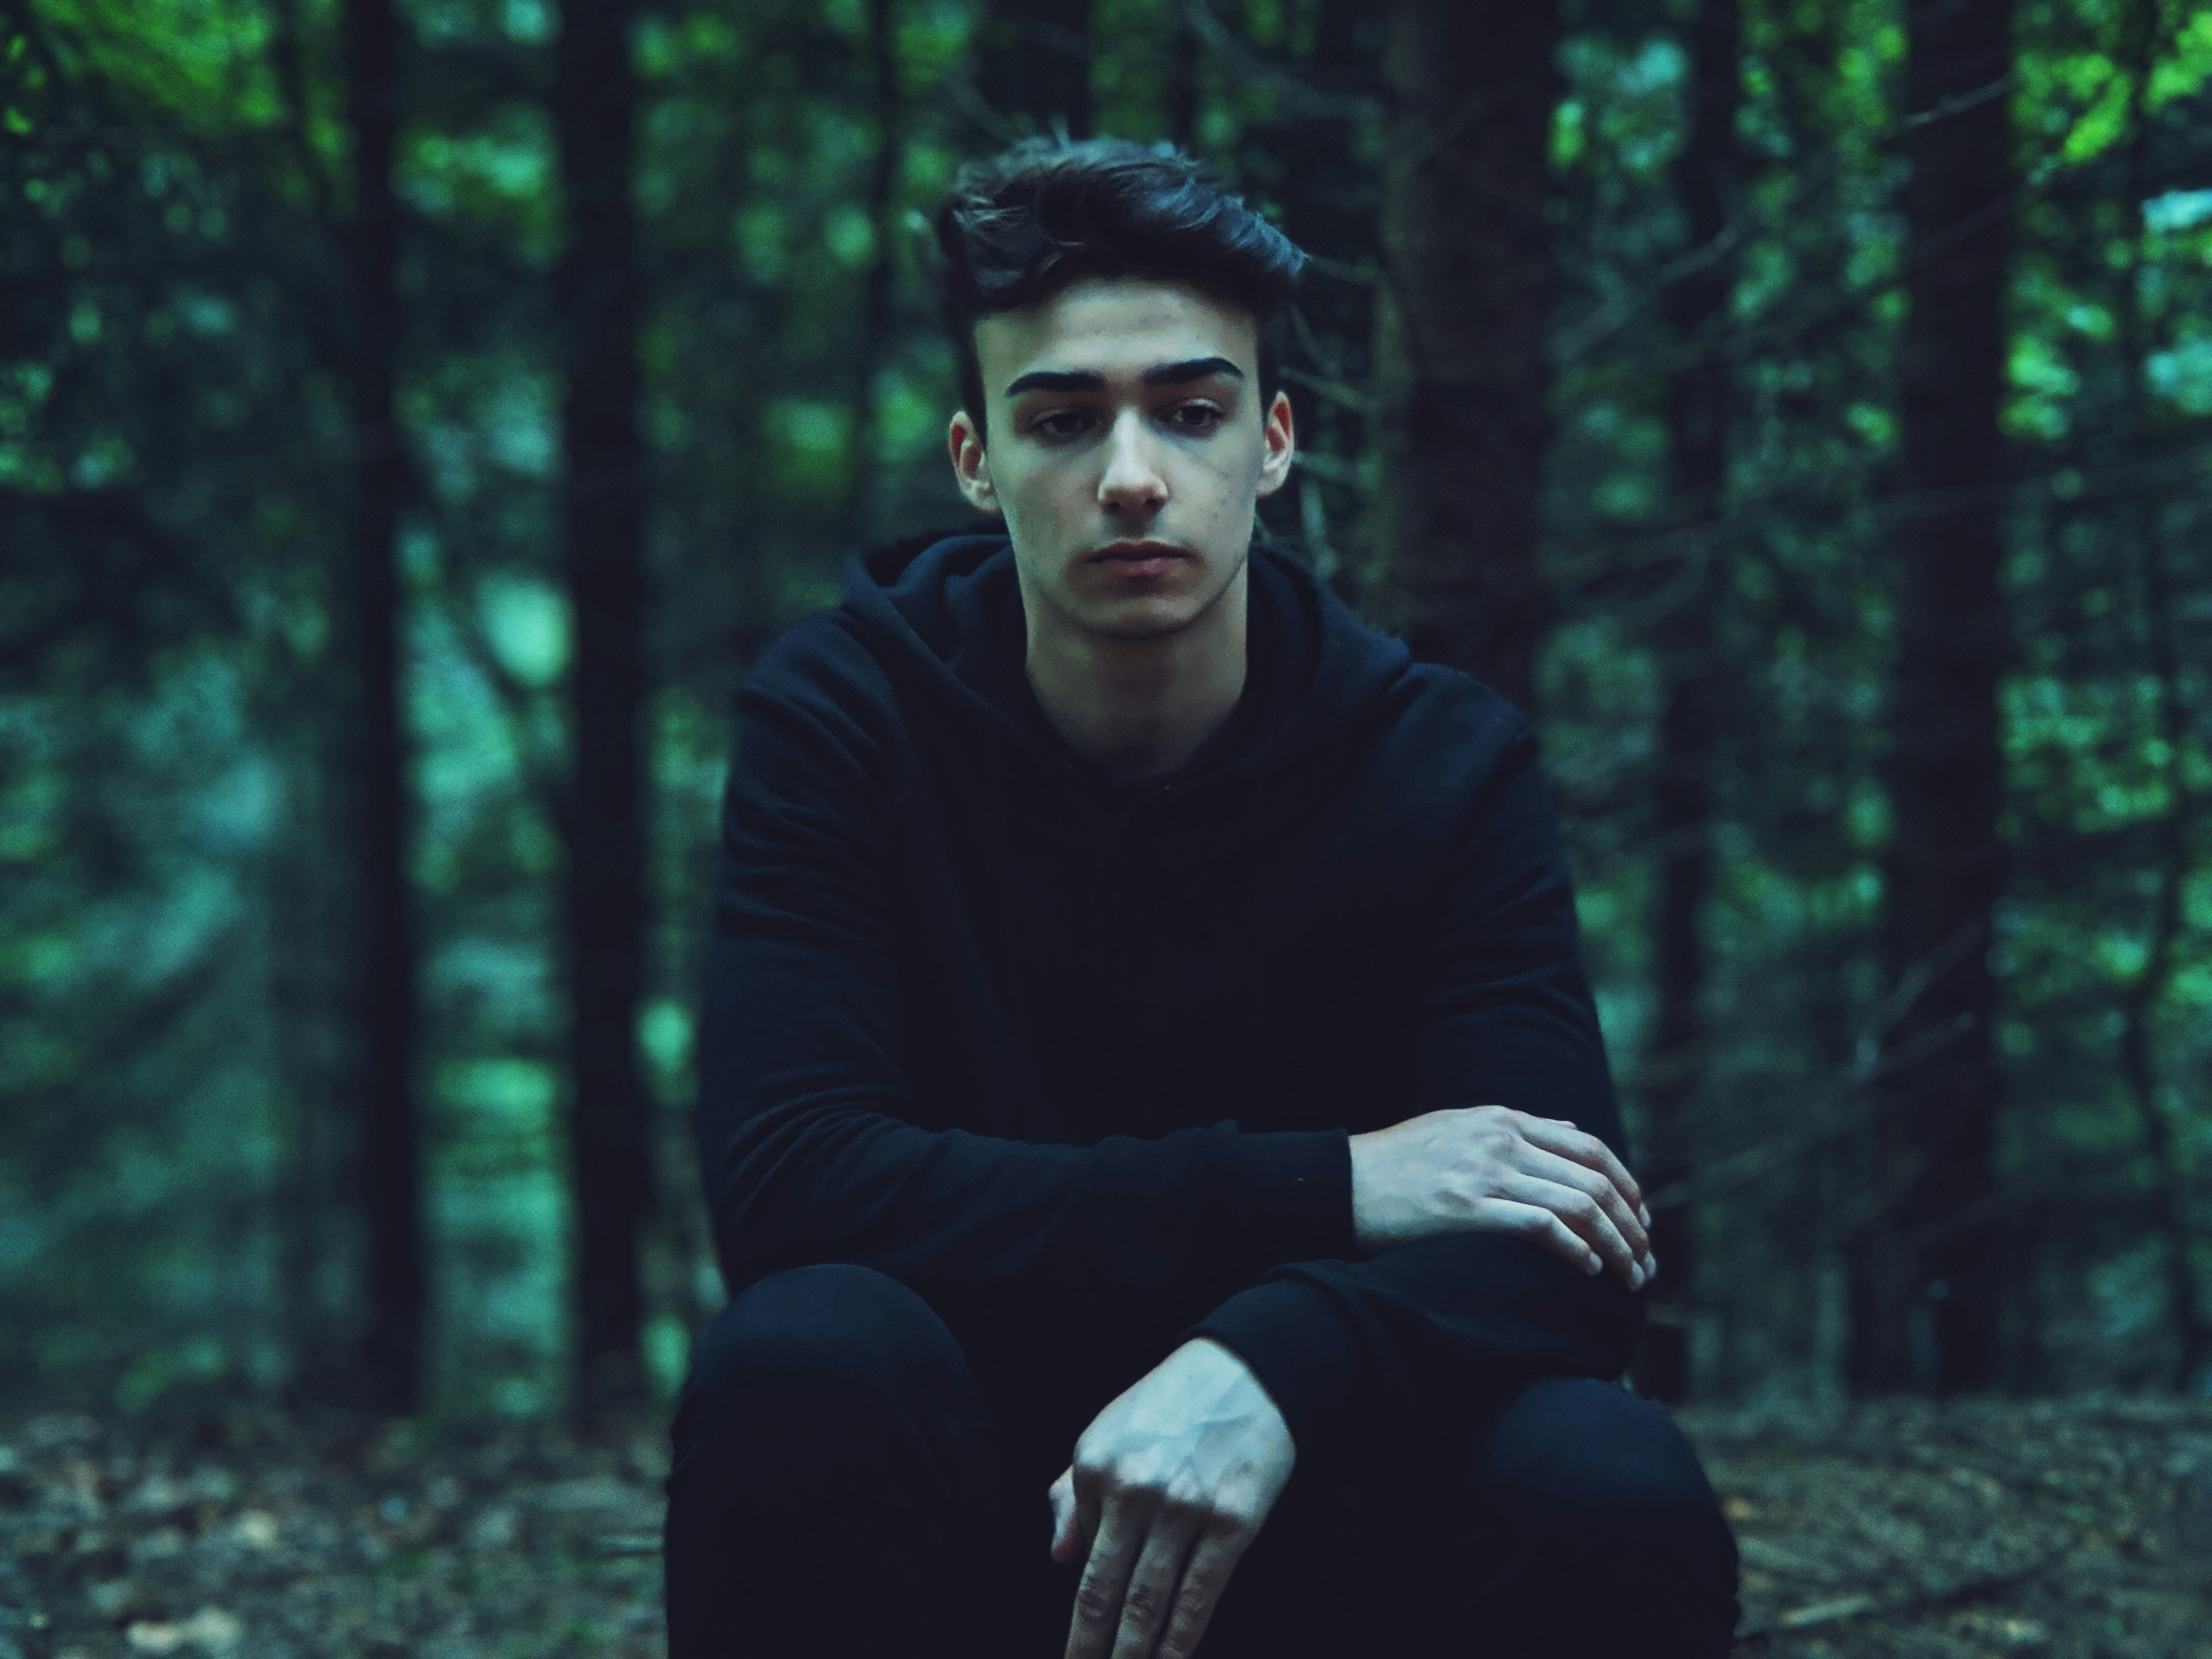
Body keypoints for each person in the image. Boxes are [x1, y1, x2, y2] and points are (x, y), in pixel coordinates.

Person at [664, 137, 1740, 1659]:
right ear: (976, 461)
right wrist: (1334, 1186)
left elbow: (1568, 1249)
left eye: (1188, 410)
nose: (1130, 476)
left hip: (1323, 1501)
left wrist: (1276, 1356)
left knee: (1603, 1475)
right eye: (1061, 420)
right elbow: (791, 1182)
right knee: (804, 1360)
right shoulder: (849, 722)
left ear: (1275, 441)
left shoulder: (1441, 762)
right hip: (976, 1523)